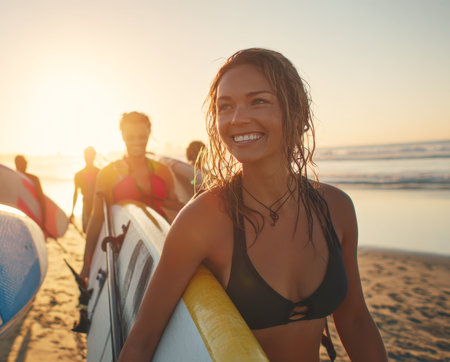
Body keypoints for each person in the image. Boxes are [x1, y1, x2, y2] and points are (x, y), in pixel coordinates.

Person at [118, 49, 387, 361]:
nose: (237, 119)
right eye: (225, 106)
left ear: (296, 111)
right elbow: (142, 339)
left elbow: (354, 320)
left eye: (258, 101)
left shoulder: (336, 208)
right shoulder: (203, 219)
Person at [80, 111, 184, 281]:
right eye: (131, 137)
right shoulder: (108, 174)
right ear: (122, 136)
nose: (136, 142)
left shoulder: (162, 171)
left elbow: (174, 210)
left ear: (148, 134)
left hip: (158, 245)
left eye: (141, 137)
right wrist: (87, 262)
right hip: (123, 250)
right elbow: (97, 218)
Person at [70, 146, 100, 232]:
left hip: (98, 206)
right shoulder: (79, 175)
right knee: (87, 231)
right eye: (87, 155)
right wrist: (72, 212)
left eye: (90, 155)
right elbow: (75, 193)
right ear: (84, 157)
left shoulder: (100, 173)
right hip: (86, 206)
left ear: (94, 156)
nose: (88, 158)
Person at [15, 155, 46, 228]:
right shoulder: (11, 178)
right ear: (17, 164)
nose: (25, 165)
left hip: (32, 215)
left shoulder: (34, 179)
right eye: (23, 163)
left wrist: (43, 220)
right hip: (17, 215)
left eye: (26, 163)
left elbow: (41, 200)